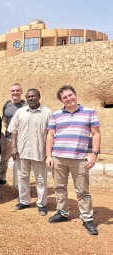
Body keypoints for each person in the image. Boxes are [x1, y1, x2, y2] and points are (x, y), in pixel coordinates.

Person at [46, 85, 101, 235]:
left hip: (79, 159)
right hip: (58, 157)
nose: (69, 98)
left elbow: (96, 134)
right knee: (59, 187)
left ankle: (87, 218)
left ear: (75, 95)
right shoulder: (56, 115)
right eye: (65, 97)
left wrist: (94, 154)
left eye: (71, 95)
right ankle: (62, 212)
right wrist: (49, 155)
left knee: (82, 190)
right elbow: (50, 135)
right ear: (61, 100)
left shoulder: (89, 112)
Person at [8, 89, 52, 216]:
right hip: (22, 151)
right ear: (26, 98)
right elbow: (13, 131)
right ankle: (24, 200)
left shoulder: (47, 113)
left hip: (40, 151)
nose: (31, 98)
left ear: (39, 97)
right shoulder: (20, 112)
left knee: (41, 179)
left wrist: (49, 152)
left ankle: (41, 204)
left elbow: (51, 133)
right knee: (23, 177)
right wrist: (13, 147)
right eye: (29, 96)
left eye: (34, 96)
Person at [0, 83, 26, 187]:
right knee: (4, 159)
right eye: (13, 91)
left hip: (22, 138)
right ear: (10, 92)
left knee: (20, 162)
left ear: (21, 92)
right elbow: (5, 120)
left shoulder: (26, 105)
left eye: (17, 90)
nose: (15, 93)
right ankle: (2, 180)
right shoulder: (7, 105)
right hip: (8, 137)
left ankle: (19, 184)